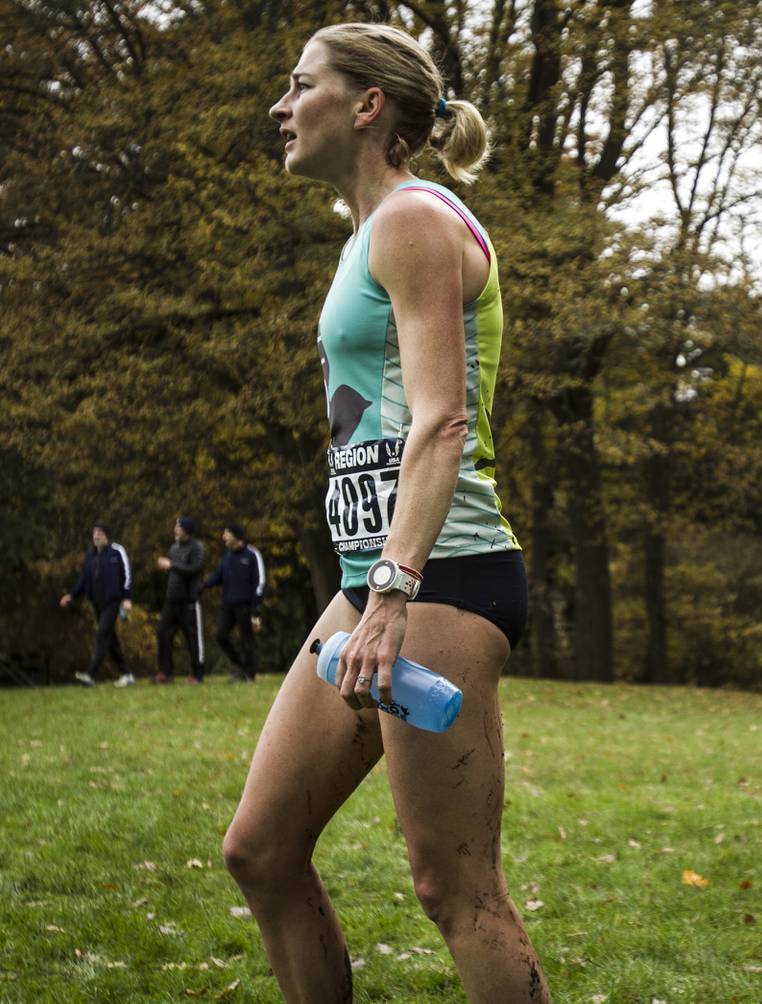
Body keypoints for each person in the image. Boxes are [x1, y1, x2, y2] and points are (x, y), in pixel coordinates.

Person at [224, 23, 546, 1004]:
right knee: (262, 847)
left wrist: (395, 592)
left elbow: (443, 420)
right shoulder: (368, 233)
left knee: (456, 888)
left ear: (366, 105)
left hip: (439, 574)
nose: (282, 106)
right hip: (379, 582)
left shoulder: (414, 219)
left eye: (300, 84)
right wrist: (375, 589)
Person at [59, 523, 135, 687]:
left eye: (99, 533)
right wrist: (72, 595)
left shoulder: (117, 551)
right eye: (94, 533)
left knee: (102, 635)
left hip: (113, 602)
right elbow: (84, 579)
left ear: (106, 535)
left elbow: (127, 574)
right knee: (110, 640)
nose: (96, 536)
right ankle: (127, 675)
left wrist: (127, 598)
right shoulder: (90, 555)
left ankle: (90, 674)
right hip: (97, 603)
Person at [202, 523, 266, 682]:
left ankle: (250, 674)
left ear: (236, 536)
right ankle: (240, 666)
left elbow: (260, 581)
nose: (224, 537)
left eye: (227, 533)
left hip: (246, 605)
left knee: (247, 639)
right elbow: (218, 576)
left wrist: (256, 609)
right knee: (221, 636)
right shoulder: (227, 556)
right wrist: (202, 585)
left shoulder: (252, 554)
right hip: (228, 604)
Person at [155, 516, 208, 683]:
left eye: (178, 527)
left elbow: (194, 569)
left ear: (187, 530)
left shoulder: (197, 548)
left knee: (192, 638)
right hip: (172, 600)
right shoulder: (174, 548)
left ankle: (197, 674)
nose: (175, 529)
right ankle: (165, 672)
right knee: (162, 633)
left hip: (189, 601)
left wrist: (171, 565)